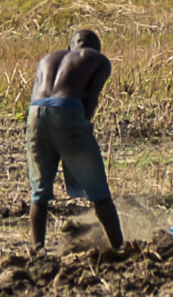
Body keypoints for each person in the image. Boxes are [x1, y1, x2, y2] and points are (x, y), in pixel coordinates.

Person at [27, 28, 124, 254]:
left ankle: (37, 249)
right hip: (67, 111)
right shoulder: (98, 59)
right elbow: (91, 99)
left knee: (39, 192)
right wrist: (83, 128)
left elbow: (38, 95)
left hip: (34, 115)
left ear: (70, 47)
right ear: (96, 49)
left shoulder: (47, 59)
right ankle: (120, 247)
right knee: (99, 192)